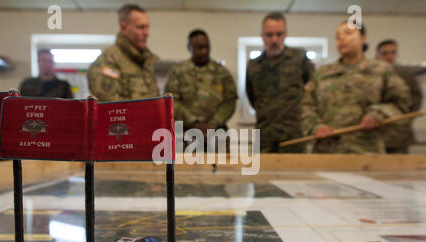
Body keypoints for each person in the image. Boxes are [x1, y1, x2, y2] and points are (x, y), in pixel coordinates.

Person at [301, 21, 411, 154]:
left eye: (348, 33)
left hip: (367, 151)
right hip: (327, 151)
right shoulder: (322, 74)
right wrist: (315, 127)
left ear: (363, 38)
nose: (341, 39)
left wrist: (378, 113)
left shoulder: (381, 70)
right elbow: (306, 106)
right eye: (337, 37)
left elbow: (401, 103)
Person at [246, 12, 314, 153]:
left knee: (295, 174)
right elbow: (251, 96)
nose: (274, 39)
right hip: (265, 134)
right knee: (261, 173)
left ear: (286, 34)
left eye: (279, 34)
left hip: (293, 134)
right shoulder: (254, 65)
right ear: (262, 36)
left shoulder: (299, 59)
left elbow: (313, 88)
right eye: (269, 35)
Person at [165, 29, 237, 136]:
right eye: (199, 48)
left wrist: (213, 123)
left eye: (207, 47)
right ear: (189, 47)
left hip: (216, 134)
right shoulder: (178, 72)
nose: (204, 51)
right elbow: (171, 101)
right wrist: (194, 123)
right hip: (186, 135)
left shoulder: (222, 73)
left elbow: (230, 101)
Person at [87, 4, 159, 101]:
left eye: (147, 27)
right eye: (141, 27)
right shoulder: (107, 63)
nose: (146, 33)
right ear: (123, 28)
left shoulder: (146, 61)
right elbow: (113, 111)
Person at [376, 39, 423, 153]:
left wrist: (407, 118)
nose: (389, 56)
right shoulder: (372, 75)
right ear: (377, 55)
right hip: (376, 132)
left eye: (393, 52)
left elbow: (416, 98)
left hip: (400, 133)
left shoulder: (406, 76)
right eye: (385, 53)